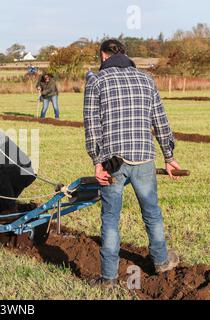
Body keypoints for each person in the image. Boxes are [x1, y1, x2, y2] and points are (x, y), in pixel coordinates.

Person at [84, 39, 182, 287]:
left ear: (104, 56)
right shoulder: (147, 79)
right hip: (144, 157)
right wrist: (169, 157)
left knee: (110, 218)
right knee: (151, 213)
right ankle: (161, 261)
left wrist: (97, 162)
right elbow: (160, 120)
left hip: (112, 161)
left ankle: (108, 278)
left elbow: (93, 127)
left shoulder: (96, 81)